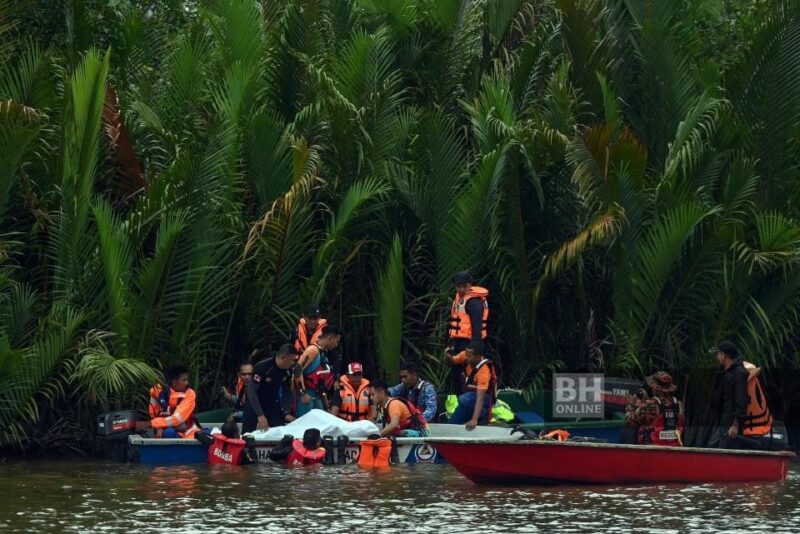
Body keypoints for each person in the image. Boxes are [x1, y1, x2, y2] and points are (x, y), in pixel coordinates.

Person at [447, 271, 489, 392]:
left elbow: (477, 327)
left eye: (464, 286)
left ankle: (469, 404)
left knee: (468, 376)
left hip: (470, 345)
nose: (461, 289)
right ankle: (460, 403)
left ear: (470, 285)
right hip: (459, 342)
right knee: (457, 375)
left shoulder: (473, 302)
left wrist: (473, 350)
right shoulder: (459, 299)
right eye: (458, 286)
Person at [242, 344, 296, 433]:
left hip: (272, 402)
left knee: (280, 430)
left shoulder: (288, 370)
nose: (293, 363)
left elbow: (288, 390)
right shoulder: (262, 367)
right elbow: (251, 391)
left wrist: (286, 411)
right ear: (283, 357)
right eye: (292, 360)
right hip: (255, 402)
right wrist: (260, 415)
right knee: (247, 432)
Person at [445, 341, 497, 430]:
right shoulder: (465, 355)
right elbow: (451, 362)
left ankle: (481, 415)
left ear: (478, 357)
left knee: (463, 399)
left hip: (484, 398)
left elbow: (480, 398)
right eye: (466, 354)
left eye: (469, 356)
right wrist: (447, 356)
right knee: (451, 425)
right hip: (470, 400)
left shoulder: (484, 372)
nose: (466, 357)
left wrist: (474, 419)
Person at [707, 340, 750, 449]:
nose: (717, 356)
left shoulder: (739, 374)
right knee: (712, 448)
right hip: (722, 422)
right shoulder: (726, 372)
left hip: (731, 424)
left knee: (726, 456)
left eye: (718, 353)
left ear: (724, 355)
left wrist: (735, 425)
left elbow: (741, 400)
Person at [137, 365, 199, 439]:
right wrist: (160, 428)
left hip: (187, 434)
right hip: (164, 428)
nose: (187, 383)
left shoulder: (190, 394)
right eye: (184, 380)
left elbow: (177, 419)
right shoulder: (157, 391)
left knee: (169, 432)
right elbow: (153, 414)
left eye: (187, 380)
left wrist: (151, 424)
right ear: (174, 382)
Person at [624, 372, 684, 446]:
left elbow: (630, 421)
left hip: (652, 450)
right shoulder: (679, 404)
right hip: (674, 449)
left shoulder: (651, 405)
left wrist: (632, 405)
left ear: (655, 387)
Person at [293, 325, 341, 417]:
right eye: (336, 341)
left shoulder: (322, 352)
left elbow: (320, 380)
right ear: (330, 338)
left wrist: (327, 407)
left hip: (316, 394)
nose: (336, 345)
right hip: (306, 394)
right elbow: (297, 369)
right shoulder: (312, 350)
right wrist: (303, 393)